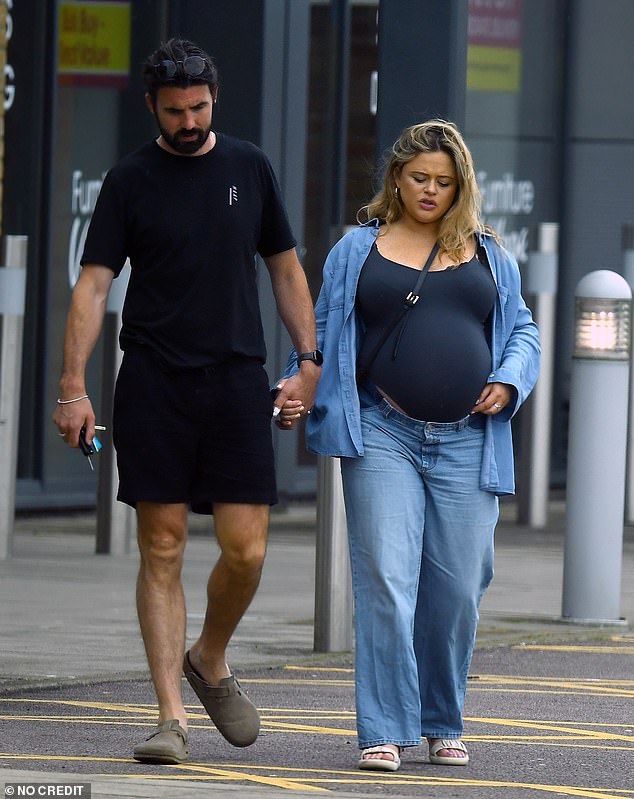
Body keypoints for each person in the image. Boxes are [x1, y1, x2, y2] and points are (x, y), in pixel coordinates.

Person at [52, 38, 320, 764]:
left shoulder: (249, 167)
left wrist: (308, 361)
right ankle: (171, 715)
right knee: (162, 544)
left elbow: (287, 272)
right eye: (174, 111)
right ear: (152, 107)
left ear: (215, 100)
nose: (189, 121)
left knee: (247, 548)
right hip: (154, 383)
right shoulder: (129, 180)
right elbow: (93, 287)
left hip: (236, 379)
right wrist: (73, 387)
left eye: (199, 108)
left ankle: (210, 655)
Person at [277, 120, 540, 771]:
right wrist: (296, 385)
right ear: (397, 176)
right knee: (387, 580)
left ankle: (440, 719)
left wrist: (508, 381)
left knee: (458, 589)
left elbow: (524, 333)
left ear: (461, 187)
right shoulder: (356, 250)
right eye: (420, 177)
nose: (430, 190)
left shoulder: (487, 254)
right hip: (383, 431)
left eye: (444, 182)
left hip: (467, 442)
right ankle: (384, 727)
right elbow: (323, 329)